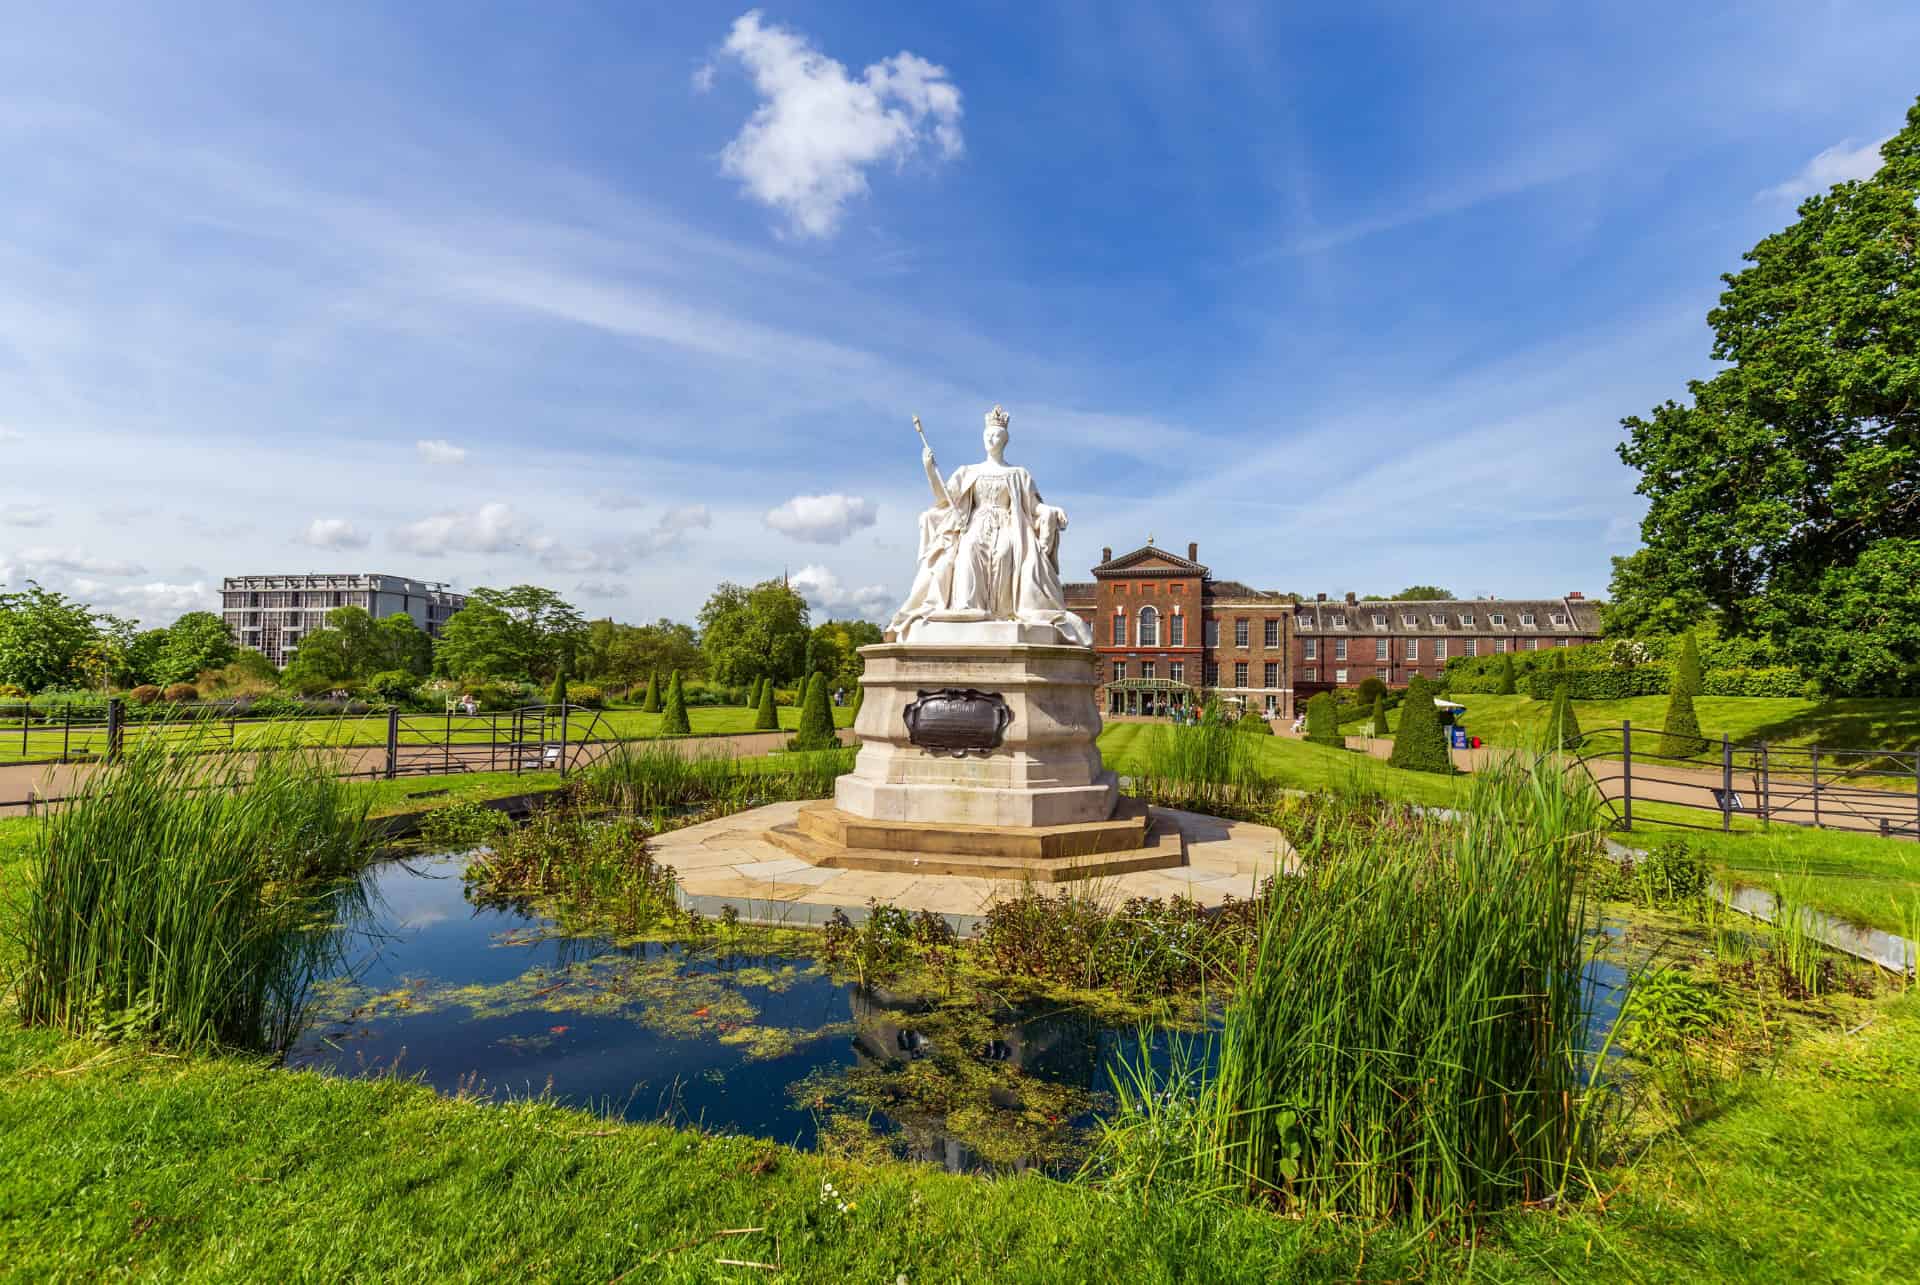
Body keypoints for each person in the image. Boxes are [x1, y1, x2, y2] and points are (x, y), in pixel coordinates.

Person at [886, 406, 1092, 645]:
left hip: (1007, 524)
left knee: (1005, 553)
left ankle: (1002, 613)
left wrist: (1051, 511)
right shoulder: (969, 471)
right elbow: (944, 498)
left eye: (996, 435)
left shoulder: (1018, 474)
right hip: (976, 522)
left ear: (1005, 440)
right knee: (968, 550)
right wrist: (930, 470)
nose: (991, 439)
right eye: (988, 435)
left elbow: (1033, 506)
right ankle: (967, 607)